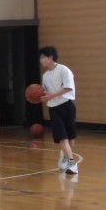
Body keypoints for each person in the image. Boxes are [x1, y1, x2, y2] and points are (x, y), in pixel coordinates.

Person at [38, 45, 78, 175]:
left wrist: (52, 96)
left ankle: (65, 157)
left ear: (50, 57)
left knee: (71, 138)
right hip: (54, 109)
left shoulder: (64, 70)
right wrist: (40, 96)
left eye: (43, 57)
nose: (41, 60)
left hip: (67, 106)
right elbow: (46, 92)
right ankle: (72, 164)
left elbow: (68, 88)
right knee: (63, 138)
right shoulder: (45, 76)